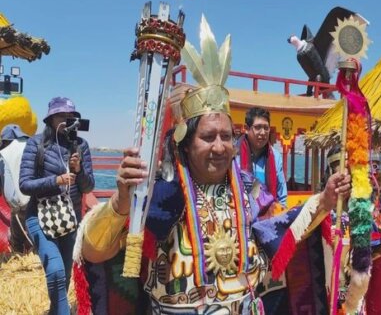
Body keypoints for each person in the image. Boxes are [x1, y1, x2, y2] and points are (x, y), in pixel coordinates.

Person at [76, 35, 351, 313]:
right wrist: (121, 202)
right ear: (184, 142)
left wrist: (325, 200)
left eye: (226, 136)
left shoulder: (249, 190)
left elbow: (281, 228)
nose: (219, 147)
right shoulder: (158, 198)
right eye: (208, 137)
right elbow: (94, 251)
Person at [19, 97, 95, 314]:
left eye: (71, 116)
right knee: (55, 272)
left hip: (70, 221)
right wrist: (56, 180)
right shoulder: (36, 143)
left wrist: (78, 170)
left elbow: (89, 187)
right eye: (63, 116)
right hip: (41, 217)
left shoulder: (81, 146)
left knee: (65, 276)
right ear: (51, 119)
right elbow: (25, 184)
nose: (68, 120)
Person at [237, 107, 288, 207]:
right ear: (247, 129)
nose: (263, 132)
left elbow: (282, 196)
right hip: (242, 215)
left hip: (268, 217)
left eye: (266, 128)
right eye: (258, 127)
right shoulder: (235, 155)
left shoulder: (275, 157)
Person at [0, 124, 32, 253]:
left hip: (20, 205)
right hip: (35, 201)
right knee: (32, 237)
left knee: (17, 240)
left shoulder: (4, 153)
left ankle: (18, 254)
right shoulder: (31, 147)